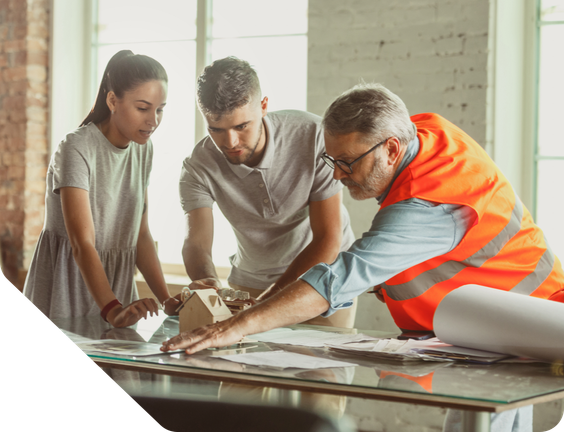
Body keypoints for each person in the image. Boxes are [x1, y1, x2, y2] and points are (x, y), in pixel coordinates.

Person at [162, 81, 564, 352]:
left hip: (536, 318)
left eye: (347, 162)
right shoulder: (420, 136)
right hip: (490, 319)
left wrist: (233, 327)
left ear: (390, 149)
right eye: (331, 159)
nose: (336, 174)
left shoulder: (428, 205)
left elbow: (338, 276)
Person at [178, 56, 356, 328]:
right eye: (216, 129)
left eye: (241, 126)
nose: (230, 142)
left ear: (263, 107)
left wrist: (269, 302)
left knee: (324, 370)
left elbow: (328, 240)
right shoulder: (198, 165)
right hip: (249, 284)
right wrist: (208, 280)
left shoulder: (314, 136)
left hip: (323, 277)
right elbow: (197, 242)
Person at [23, 50, 181, 327]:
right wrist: (111, 309)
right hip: (67, 288)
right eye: (143, 108)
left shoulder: (143, 150)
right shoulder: (76, 148)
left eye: (160, 109)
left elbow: (140, 235)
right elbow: (81, 243)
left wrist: (167, 300)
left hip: (116, 291)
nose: (153, 120)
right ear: (112, 101)